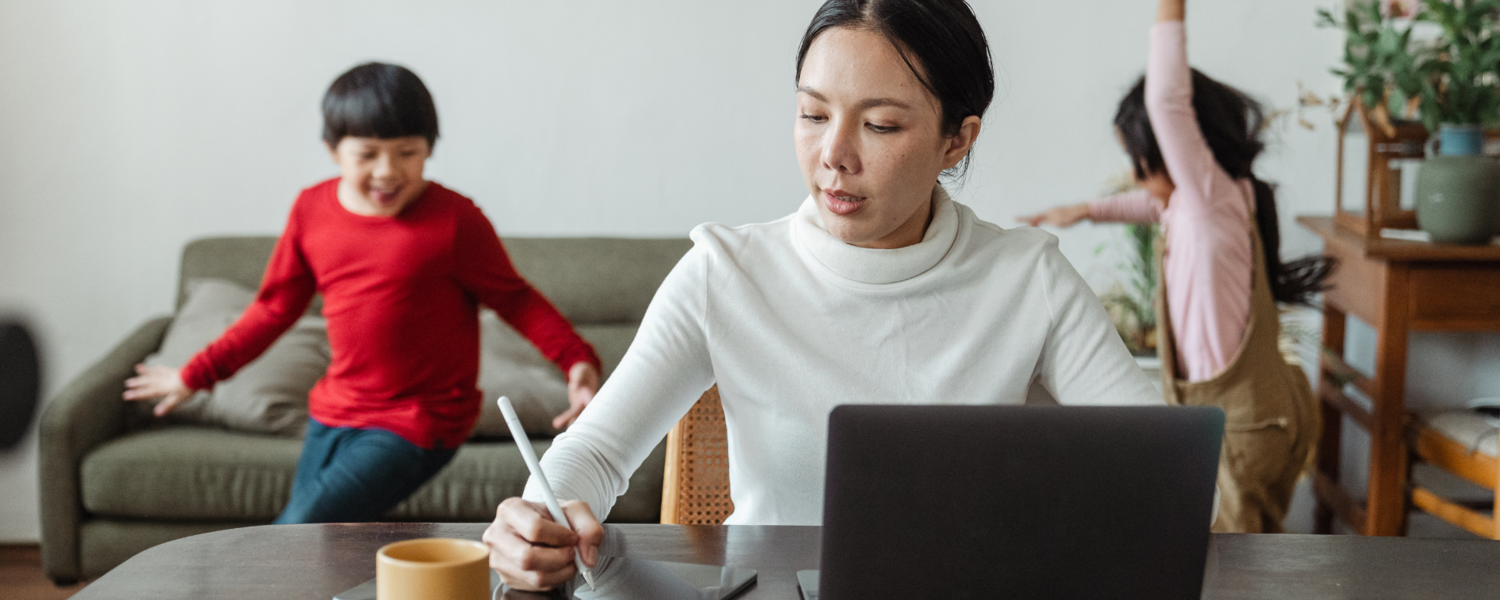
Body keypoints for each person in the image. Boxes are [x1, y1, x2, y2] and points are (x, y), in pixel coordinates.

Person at [483, 0, 1164, 591]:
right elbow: (595, 453)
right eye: (813, 114)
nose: (834, 154)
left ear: (957, 139)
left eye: (881, 125)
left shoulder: (1027, 278)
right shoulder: (726, 273)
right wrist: (538, 516)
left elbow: (1160, 469)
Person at [122, 63, 602, 524]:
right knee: (318, 545)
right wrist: (195, 375)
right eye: (367, 154)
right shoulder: (311, 210)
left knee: (296, 533)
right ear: (334, 150)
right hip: (334, 411)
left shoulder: (456, 221)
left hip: (420, 420)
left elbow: (516, 299)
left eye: (407, 152)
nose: (387, 171)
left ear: (429, 148)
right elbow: (273, 309)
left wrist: (575, 360)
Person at [1019, 0, 1332, 533]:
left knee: (1233, 560)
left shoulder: (1209, 198)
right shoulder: (1210, 203)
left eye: (1139, 160)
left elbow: (1165, 100)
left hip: (1243, 426)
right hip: (1257, 414)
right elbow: (1151, 205)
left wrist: (1170, 12)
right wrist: (1086, 210)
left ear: (1177, 148)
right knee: (1238, 551)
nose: (1136, 176)